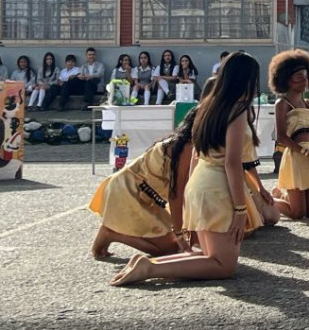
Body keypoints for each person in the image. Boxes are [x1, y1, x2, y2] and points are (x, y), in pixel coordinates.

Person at [109, 51, 264, 286]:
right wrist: (241, 209)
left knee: (208, 256)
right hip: (216, 185)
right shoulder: (237, 109)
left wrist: (191, 194)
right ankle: (149, 267)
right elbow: (232, 162)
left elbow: (195, 154)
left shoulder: (208, 106)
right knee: (223, 265)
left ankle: (150, 265)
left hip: (199, 180)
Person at [89, 107, 196, 259]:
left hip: (144, 194)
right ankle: (111, 233)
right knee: (169, 248)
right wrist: (179, 233)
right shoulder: (187, 147)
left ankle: (112, 233)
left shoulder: (185, 143)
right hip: (128, 190)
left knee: (173, 244)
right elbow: (176, 194)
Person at [269, 49, 309, 220]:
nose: (304, 80)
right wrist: (307, 153)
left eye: (306, 76)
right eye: (299, 76)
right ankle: (269, 200)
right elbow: (282, 137)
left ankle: (284, 195)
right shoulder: (282, 104)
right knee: (298, 214)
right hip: (297, 157)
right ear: (286, 79)